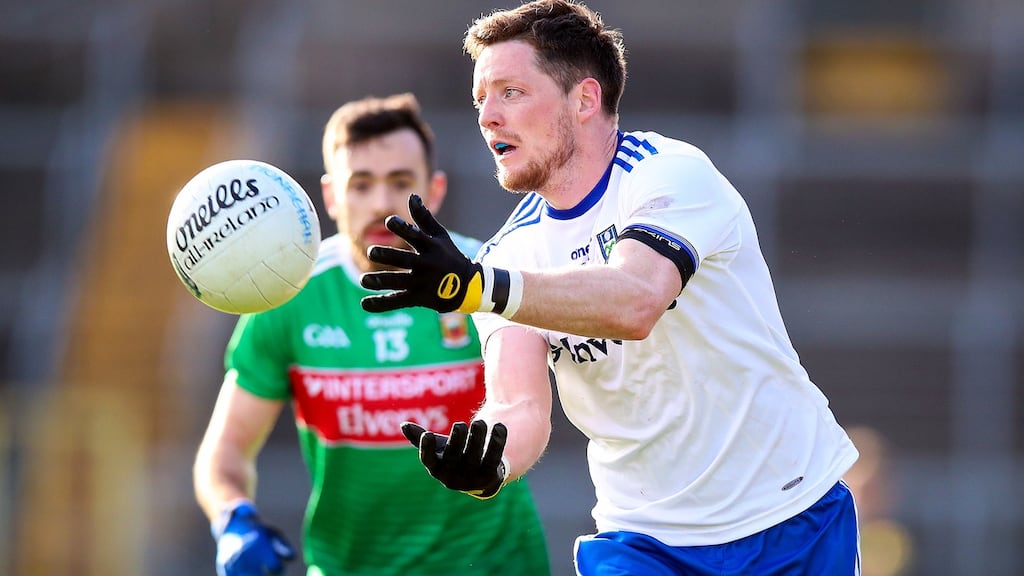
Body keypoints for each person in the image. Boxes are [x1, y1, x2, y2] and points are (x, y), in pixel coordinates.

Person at [358, 2, 862, 575]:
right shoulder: (507, 257)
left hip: (789, 514)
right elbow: (520, 405)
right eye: (480, 100)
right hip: (642, 539)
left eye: (511, 92)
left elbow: (636, 300)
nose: (488, 117)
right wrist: (487, 461)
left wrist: (480, 287)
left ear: (584, 100)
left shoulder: (669, 173)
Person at [193, 93, 550, 576]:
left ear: (435, 191)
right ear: (330, 196)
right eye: (360, 185)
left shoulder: (487, 278)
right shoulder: (288, 296)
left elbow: (526, 409)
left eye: (400, 183)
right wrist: (233, 518)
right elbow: (225, 452)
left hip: (490, 567)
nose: (381, 203)